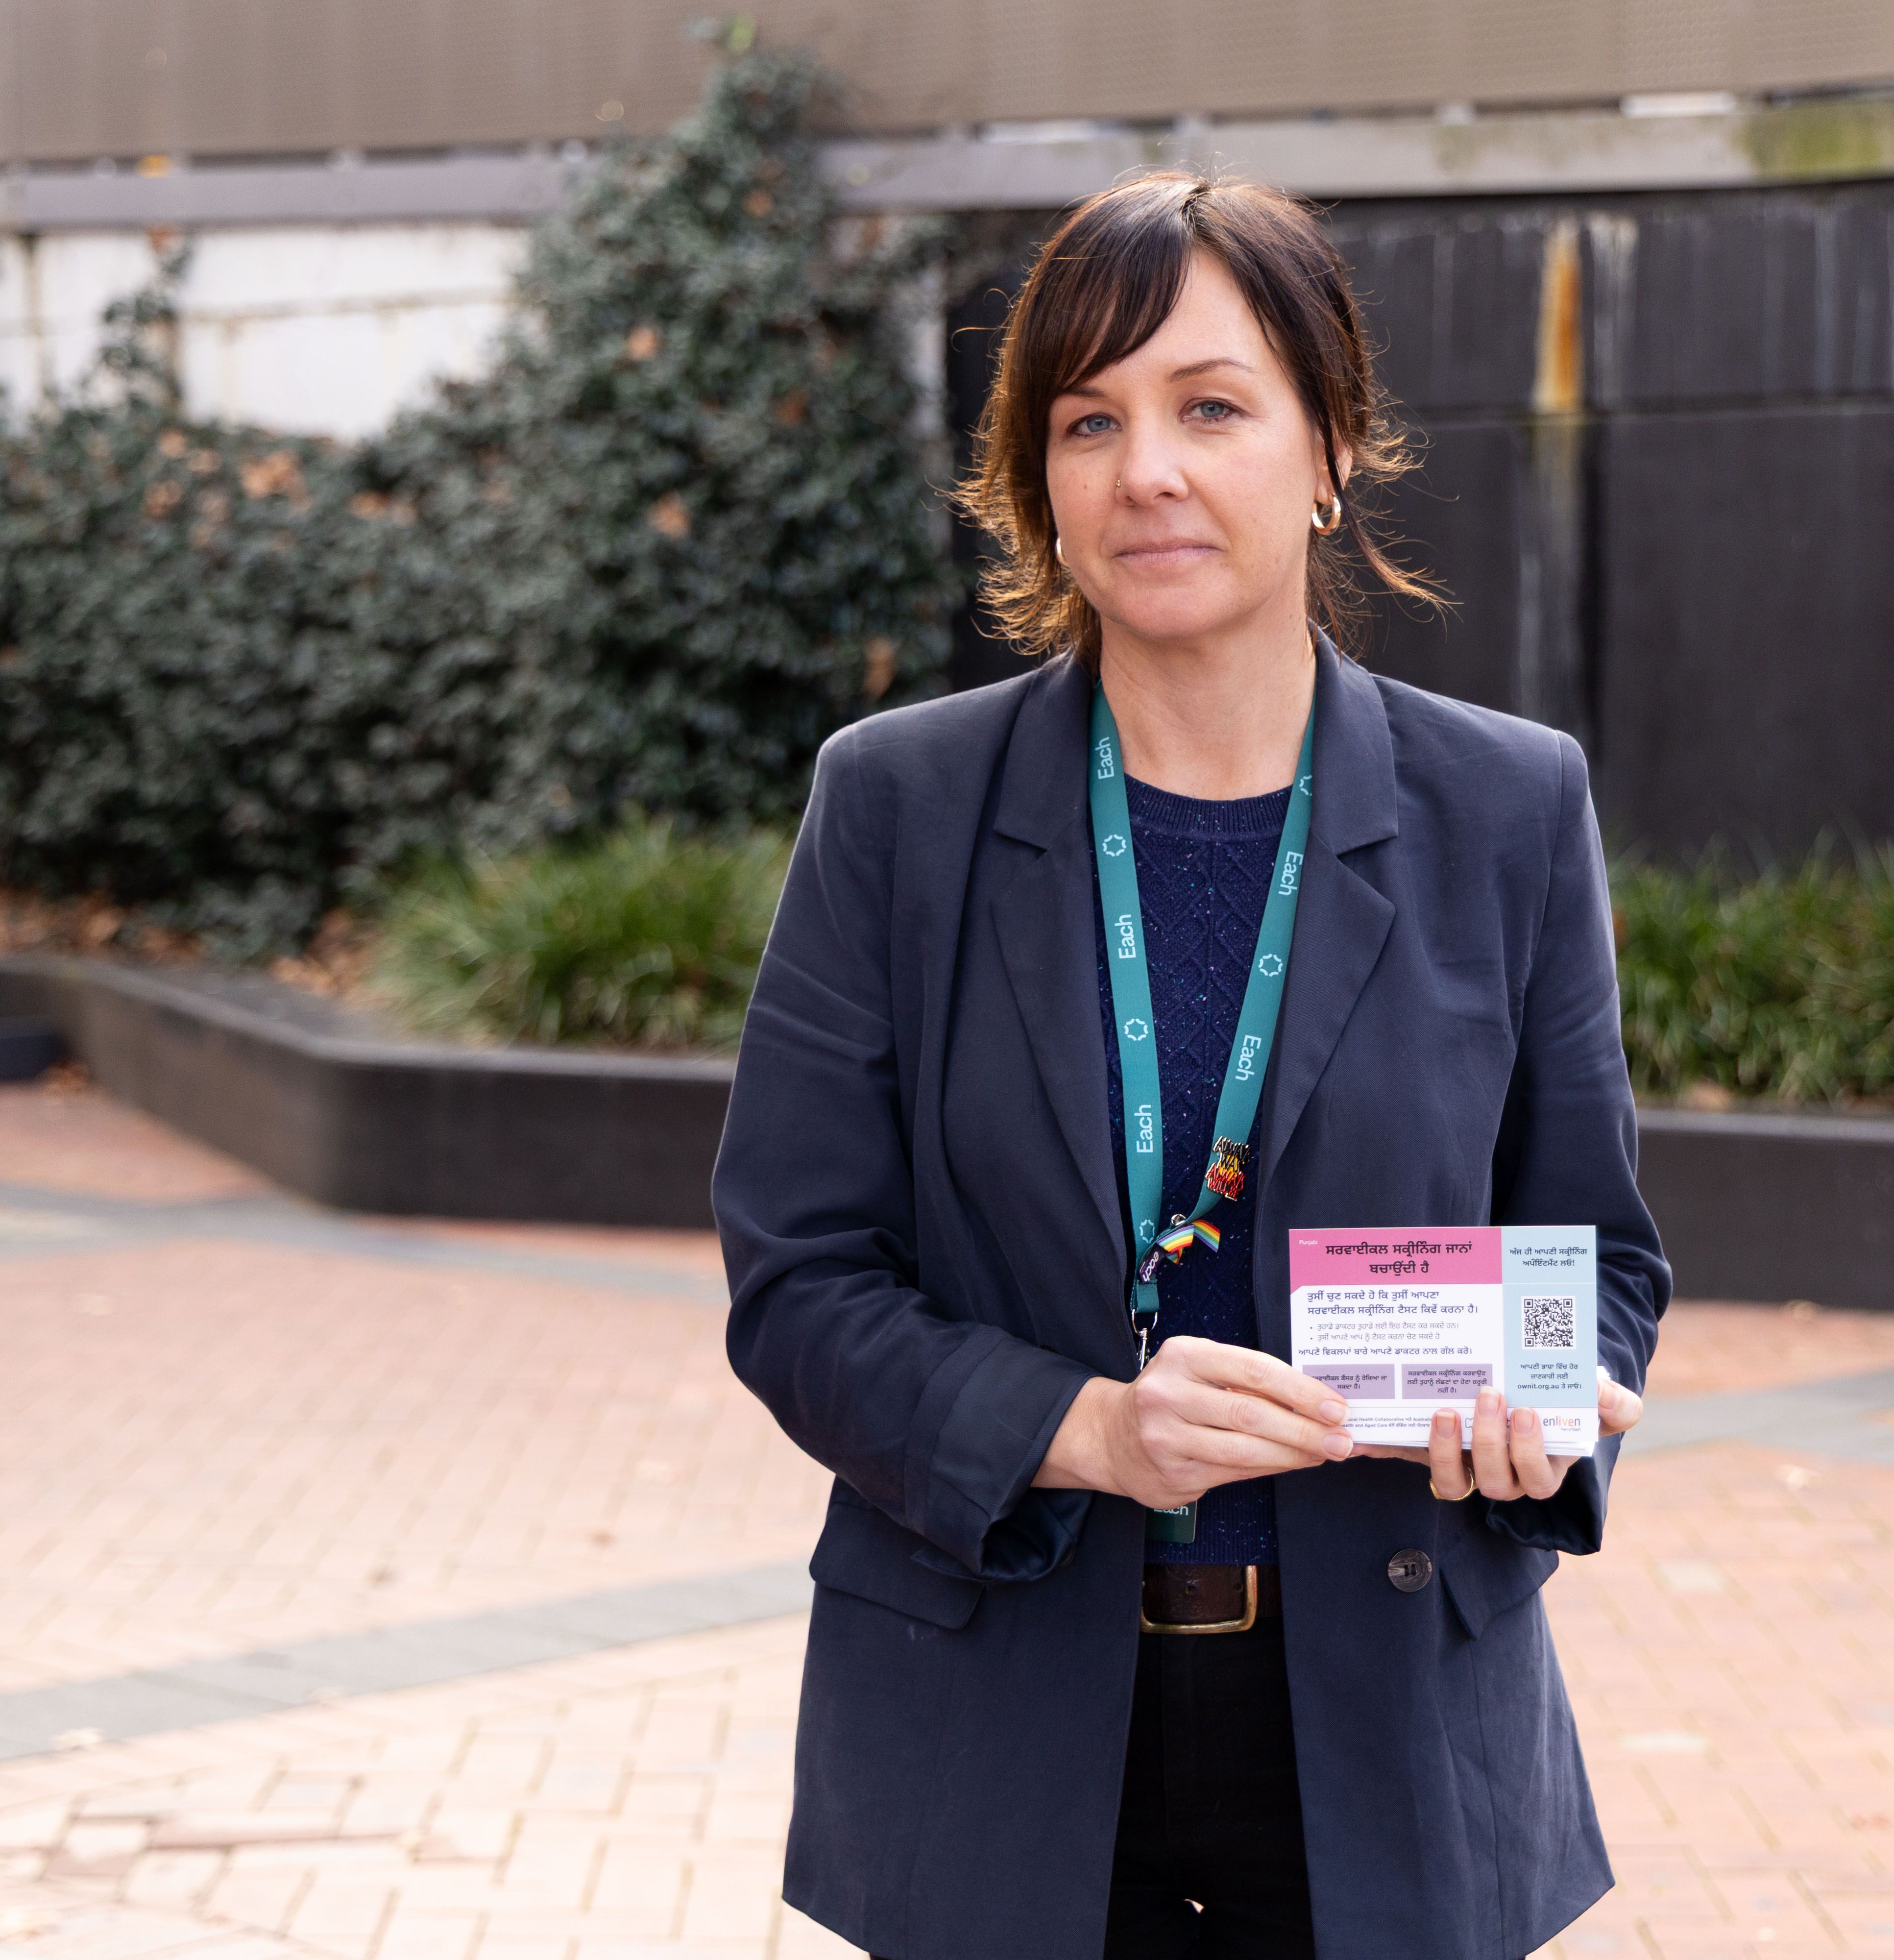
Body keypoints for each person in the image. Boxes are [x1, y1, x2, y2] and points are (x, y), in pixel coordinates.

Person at [712, 168, 1670, 1960]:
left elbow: (1596, 1257)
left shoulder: (1506, 808)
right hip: (994, 1734)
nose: (1146, 469)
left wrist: (1541, 1413)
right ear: (1040, 482)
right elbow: (801, 1281)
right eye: (1089, 422)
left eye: (1211, 408)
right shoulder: (898, 809)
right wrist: (1083, 1431)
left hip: (1389, 1731)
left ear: (1328, 452)